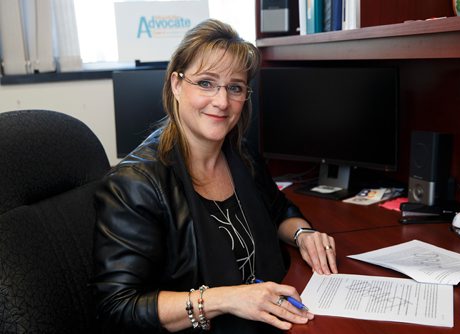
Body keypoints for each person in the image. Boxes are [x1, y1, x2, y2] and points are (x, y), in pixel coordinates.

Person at [92, 19, 337, 334]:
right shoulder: (135, 183)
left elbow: (277, 209)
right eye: (206, 83)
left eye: (235, 87)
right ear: (176, 84)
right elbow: (118, 306)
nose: (222, 102)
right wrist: (227, 299)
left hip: (271, 318)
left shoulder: (241, 155)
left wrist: (304, 235)